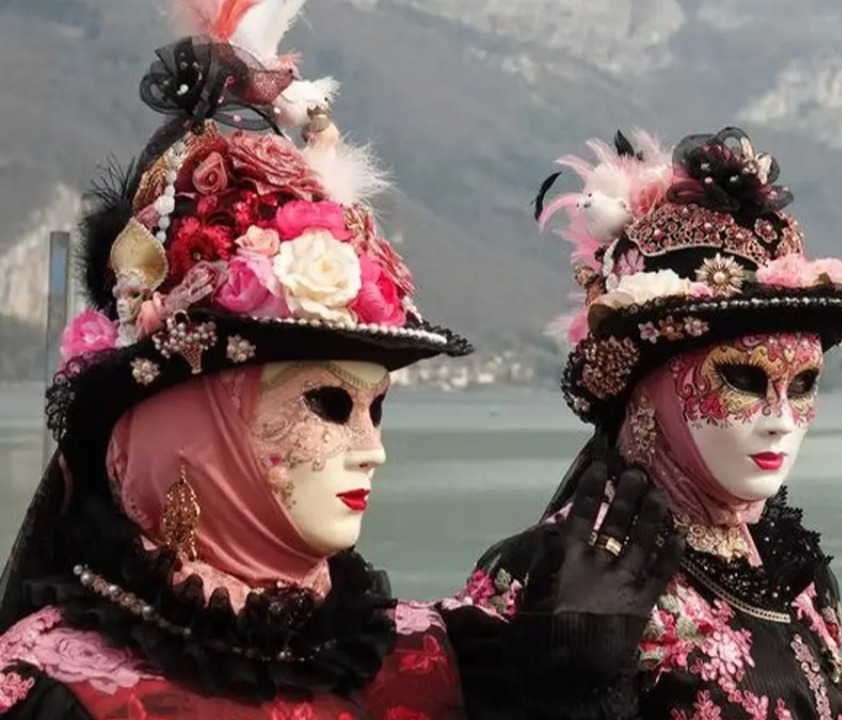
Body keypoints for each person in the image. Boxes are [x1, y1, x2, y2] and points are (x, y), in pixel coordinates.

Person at [0, 3, 680, 718]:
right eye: (327, 403)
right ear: (190, 429)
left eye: (376, 407)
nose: (372, 452)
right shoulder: (65, 692)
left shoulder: (428, 659)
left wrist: (572, 685)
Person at [462, 126, 842, 719]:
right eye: (742, 379)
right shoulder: (547, 580)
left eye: (803, 385)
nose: (781, 420)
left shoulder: (797, 578)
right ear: (648, 395)